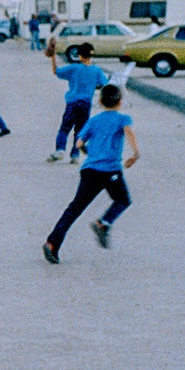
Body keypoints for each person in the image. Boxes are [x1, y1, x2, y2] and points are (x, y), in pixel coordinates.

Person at [42, 83, 139, 264]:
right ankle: (103, 223)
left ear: (100, 101)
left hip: (89, 171)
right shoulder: (123, 118)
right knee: (123, 200)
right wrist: (135, 153)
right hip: (110, 171)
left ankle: (52, 243)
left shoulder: (93, 121)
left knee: (74, 209)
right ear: (120, 102)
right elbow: (129, 133)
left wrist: (91, 154)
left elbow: (78, 142)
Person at [46, 40, 112, 163]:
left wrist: (53, 57)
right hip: (86, 104)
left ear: (80, 55)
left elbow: (57, 72)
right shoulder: (97, 70)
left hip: (72, 103)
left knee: (65, 128)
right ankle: (75, 155)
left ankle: (60, 150)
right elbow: (105, 85)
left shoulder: (74, 68)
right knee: (80, 130)